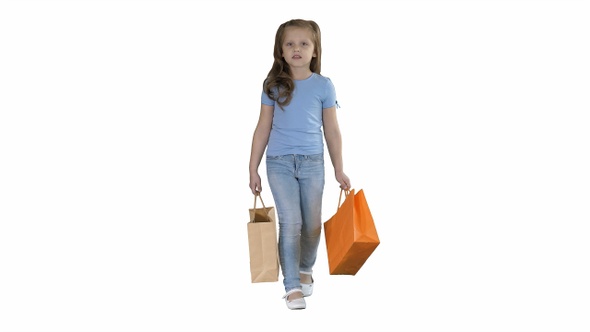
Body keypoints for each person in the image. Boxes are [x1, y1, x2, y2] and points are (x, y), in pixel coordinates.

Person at [248, 18, 351, 310]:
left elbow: (332, 130)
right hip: (279, 163)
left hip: (312, 163)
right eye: (290, 44)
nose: (296, 49)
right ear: (280, 51)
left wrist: (338, 168)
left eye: (304, 43)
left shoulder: (323, 86)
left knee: (313, 225)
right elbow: (262, 128)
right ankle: (292, 285)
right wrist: (252, 168)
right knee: (291, 223)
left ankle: (306, 268)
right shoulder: (273, 85)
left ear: (315, 50)